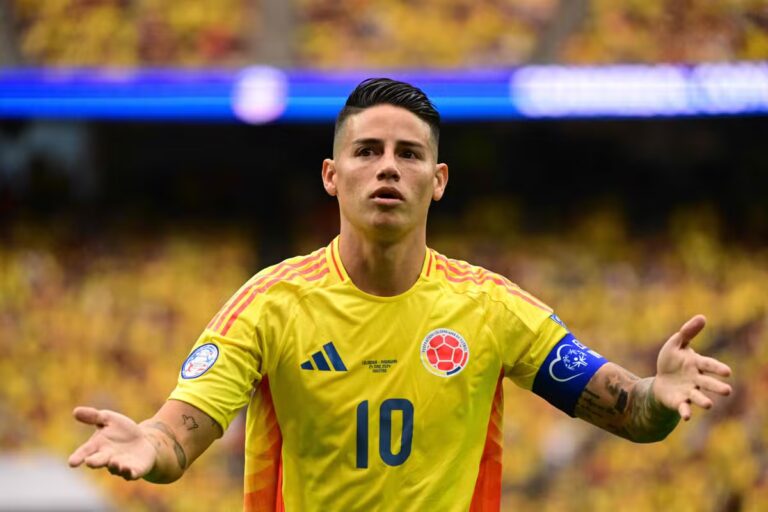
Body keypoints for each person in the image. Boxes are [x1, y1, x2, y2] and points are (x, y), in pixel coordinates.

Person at [69, 78, 733, 511]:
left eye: (409, 154)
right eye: (367, 151)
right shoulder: (269, 304)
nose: (387, 165)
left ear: (438, 180)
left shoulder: (491, 307)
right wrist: (148, 443)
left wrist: (659, 396)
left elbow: (631, 412)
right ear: (332, 175)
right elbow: (178, 436)